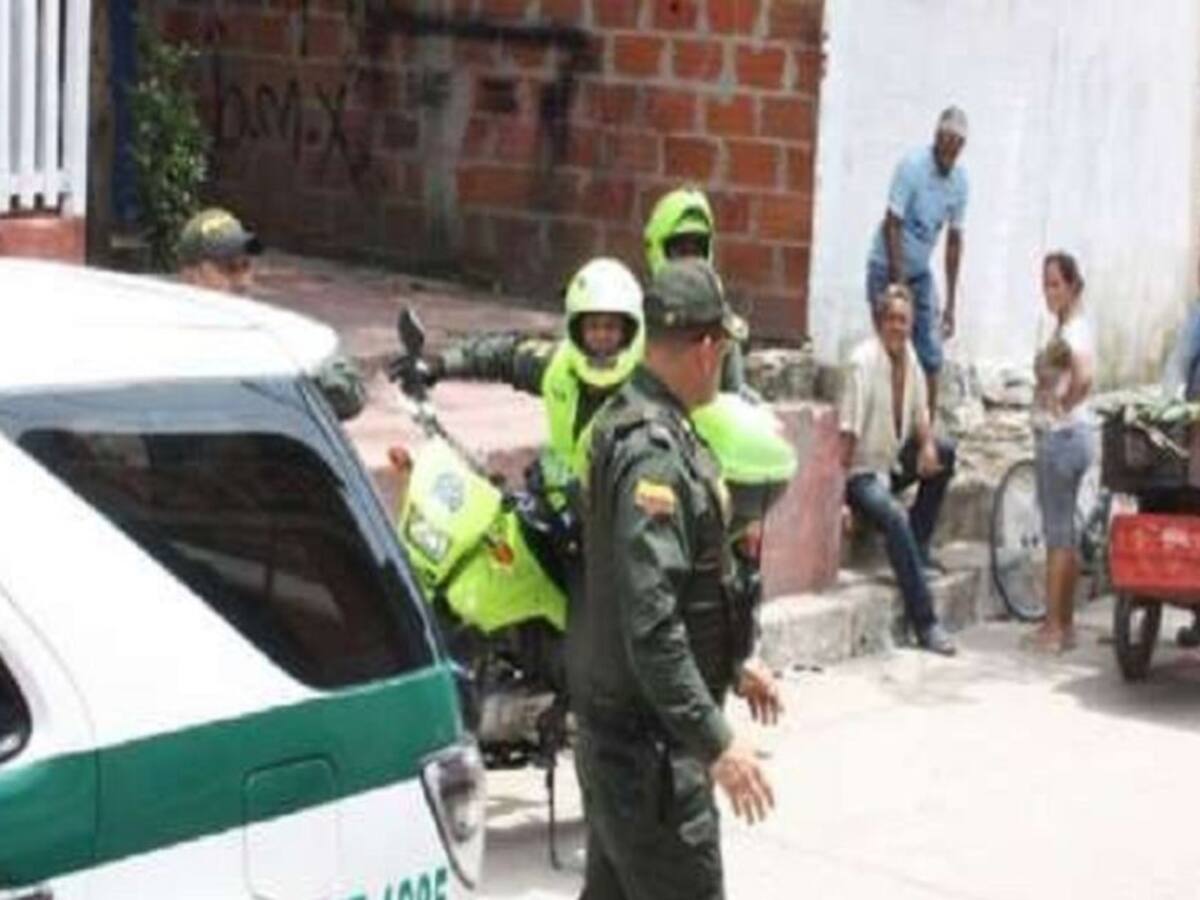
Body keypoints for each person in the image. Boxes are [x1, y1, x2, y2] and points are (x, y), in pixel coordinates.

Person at [569, 258, 781, 900]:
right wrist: (717, 742)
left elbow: (661, 592)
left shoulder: (629, 419)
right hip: (652, 760)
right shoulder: (654, 456)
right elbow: (651, 624)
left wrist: (732, 663)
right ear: (708, 348)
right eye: (723, 350)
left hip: (623, 745)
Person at [423, 256, 645, 514]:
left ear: (629, 331)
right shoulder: (559, 367)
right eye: (593, 326)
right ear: (576, 329)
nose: (602, 335)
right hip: (558, 515)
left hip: (617, 529)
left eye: (611, 327)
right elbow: (507, 354)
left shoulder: (646, 394)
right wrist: (440, 364)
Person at [839, 284, 957, 655]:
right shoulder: (863, 361)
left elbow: (921, 412)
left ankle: (916, 547)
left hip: (889, 464)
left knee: (945, 451)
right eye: (890, 319)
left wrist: (925, 445)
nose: (897, 327)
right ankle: (926, 622)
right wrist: (836, 503)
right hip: (860, 474)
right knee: (893, 515)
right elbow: (846, 438)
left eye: (903, 320)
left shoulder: (910, 357)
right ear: (879, 322)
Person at [176, 207, 366, 420]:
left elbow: (350, 395)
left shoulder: (269, 332)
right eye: (228, 268)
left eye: (245, 266)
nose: (242, 282)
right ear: (191, 276)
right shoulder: (164, 335)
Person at [866, 107, 969, 417]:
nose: (949, 152)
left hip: (920, 272)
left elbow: (953, 241)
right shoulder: (912, 167)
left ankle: (925, 432)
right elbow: (892, 223)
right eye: (945, 142)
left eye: (957, 145)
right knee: (891, 350)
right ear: (936, 139)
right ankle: (885, 425)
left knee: (930, 353)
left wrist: (950, 302)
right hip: (887, 266)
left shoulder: (960, 183)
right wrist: (898, 286)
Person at [1024, 252, 1095, 653]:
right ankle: (1065, 626)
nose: (1048, 291)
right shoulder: (1068, 327)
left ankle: (1052, 628)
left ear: (1071, 286)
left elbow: (1084, 377)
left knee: (1057, 536)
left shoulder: (1075, 330)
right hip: (1073, 436)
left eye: (1055, 284)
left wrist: (1061, 407)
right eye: (1045, 283)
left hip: (1063, 438)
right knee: (1065, 532)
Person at [644, 184, 752, 392]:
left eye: (696, 250)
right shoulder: (637, 314)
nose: (688, 261)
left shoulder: (720, 315)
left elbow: (735, 392)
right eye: (680, 250)